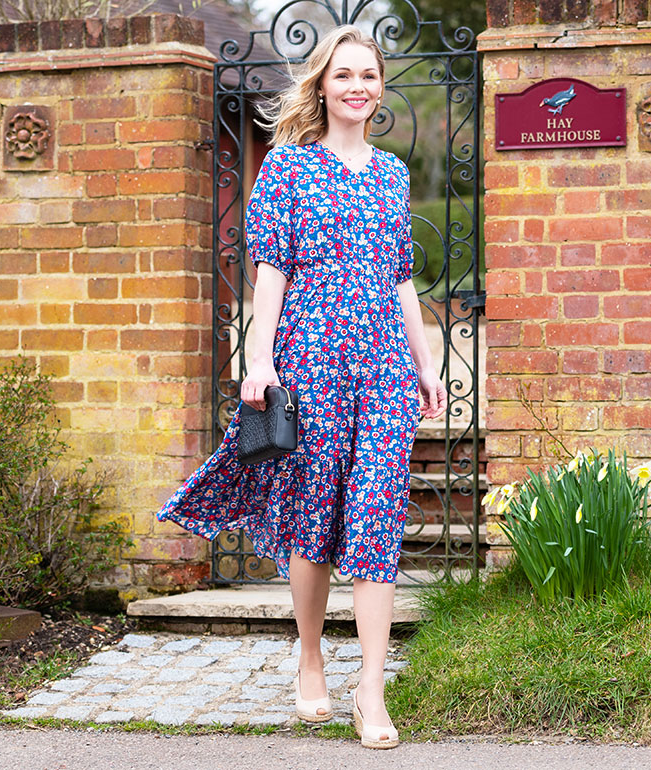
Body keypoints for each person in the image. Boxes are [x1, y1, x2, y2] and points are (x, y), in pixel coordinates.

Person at [155, 25, 448, 750]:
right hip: (310, 364)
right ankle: (311, 651)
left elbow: (402, 279)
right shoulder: (288, 169)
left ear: (381, 89)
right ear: (322, 84)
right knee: (315, 521)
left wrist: (427, 362)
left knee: (377, 517)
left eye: (369, 76)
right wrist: (260, 365)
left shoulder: (391, 174)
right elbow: (272, 277)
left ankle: (371, 686)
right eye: (343, 74)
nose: (357, 87)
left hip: (383, 368)